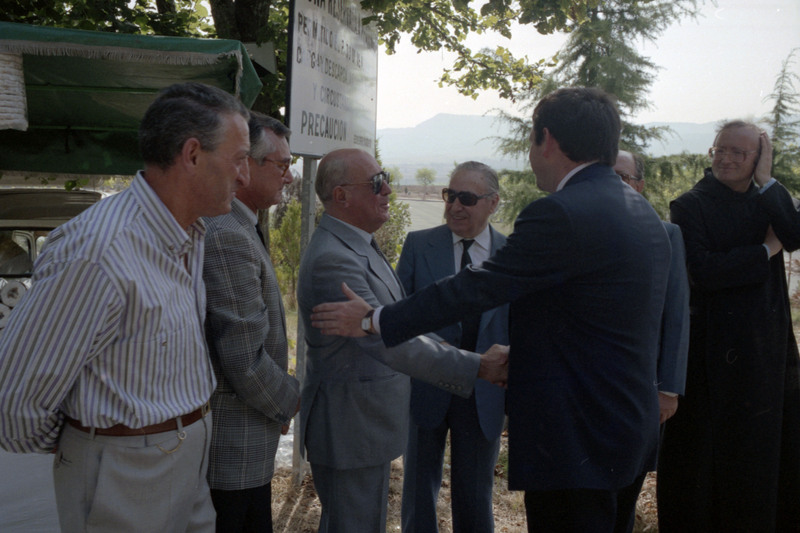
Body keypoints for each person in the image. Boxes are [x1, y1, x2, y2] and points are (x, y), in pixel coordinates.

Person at [311, 87, 673, 533]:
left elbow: (477, 287)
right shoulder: (641, 212)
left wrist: (375, 319)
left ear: (547, 140)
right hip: (624, 430)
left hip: (576, 438)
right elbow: (596, 324)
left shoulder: (560, 213)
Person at [0, 81, 251, 532]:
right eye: (239, 159)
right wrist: (91, 444)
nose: (245, 176)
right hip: (125, 473)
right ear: (193, 155)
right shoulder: (98, 252)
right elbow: (15, 402)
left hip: (184, 462)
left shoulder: (188, 233)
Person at [296, 148, 508, 533]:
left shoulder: (358, 246)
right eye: (377, 183)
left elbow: (396, 323)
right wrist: (478, 365)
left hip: (367, 426)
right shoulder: (335, 259)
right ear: (342, 195)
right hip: (352, 428)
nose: (388, 190)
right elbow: (390, 340)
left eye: (387, 179)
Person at [657, 121, 800, 532]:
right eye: (721, 149)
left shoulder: (768, 199)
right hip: (713, 353)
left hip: (766, 350)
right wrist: (764, 250)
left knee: (764, 459)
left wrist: (768, 180)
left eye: (739, 152)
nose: (726, 159)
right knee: (706, 464)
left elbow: (794, 235)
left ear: (758, 158)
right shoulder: (690, 204)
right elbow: (703, 271)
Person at [203, 112, 301, 532]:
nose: (290, 177)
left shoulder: (242, 224)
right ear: (246, 166)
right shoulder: (228, 233)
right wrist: (290, 399)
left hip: (245, 445)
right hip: (233, 449)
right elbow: (243, 359)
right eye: (282, 165)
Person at [398, 161, 508, 533]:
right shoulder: (418, 245)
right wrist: (438, 350)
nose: (455, 206)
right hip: (426, 388)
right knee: (418, 496)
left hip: (483, 395)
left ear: (493, 203)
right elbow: (401, 315)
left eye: (467, 199)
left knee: (475, 498)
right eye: (450, 195)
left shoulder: (511, 255)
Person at [615, 150, 689, 425]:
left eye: (621, 176)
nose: (612, 183)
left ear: (639, 186)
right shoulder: (575, 229)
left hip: (642, 383)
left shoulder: (666, 235)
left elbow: (676, 313)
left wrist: (669, 389)